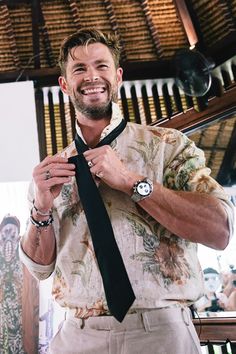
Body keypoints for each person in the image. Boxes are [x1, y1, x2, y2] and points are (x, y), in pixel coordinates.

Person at [19, 28, 235, 354]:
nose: (92, 76)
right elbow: (39, 268)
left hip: (161, 333)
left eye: (101, 66)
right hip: (77, 336)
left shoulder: (169, 147)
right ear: (65, 84)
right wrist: (41, 207)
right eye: (79, 69)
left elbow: (220, 231)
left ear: (118, 76)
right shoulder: (51, 172)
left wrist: (133, 182)